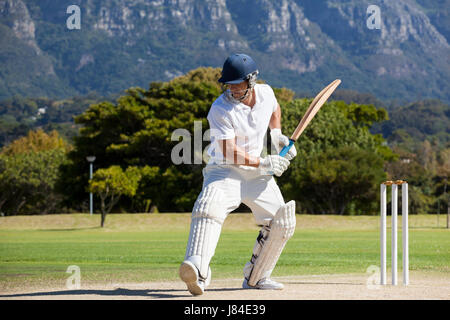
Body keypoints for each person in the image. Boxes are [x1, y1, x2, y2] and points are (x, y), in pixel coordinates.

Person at [179, 53, 297, 296]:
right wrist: (264, 163)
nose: (232, 89)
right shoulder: (220, 108)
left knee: (281, 221)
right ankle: (197, 270)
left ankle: (257, 276)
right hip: (224, 170)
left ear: (252, 80)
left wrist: (277, 135)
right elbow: (229, 150)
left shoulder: (266, 93)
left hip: (256, 175)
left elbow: (275, 109)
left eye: (237, 84)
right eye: (228, 84)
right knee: (208, 208)